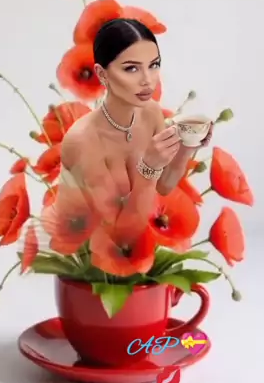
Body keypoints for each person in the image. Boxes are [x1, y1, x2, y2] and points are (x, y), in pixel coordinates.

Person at [59, 17, 213, 240]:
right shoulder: (82, 140)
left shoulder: (150, 112)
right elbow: (121, 234)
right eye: (131, 68)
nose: (148, 80)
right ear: (102, 74)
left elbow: (163, 187)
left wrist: (186, 148)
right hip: (92, 251)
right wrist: (149, 167)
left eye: (154, 65)